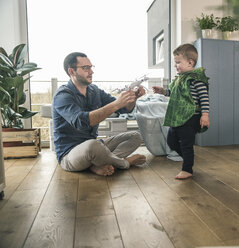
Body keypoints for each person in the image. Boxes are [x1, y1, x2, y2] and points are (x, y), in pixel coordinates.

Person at [52, 52, 146, 176]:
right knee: (92, 146)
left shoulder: (94, 90)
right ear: (71, 71)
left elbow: (123, 109)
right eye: (86, 68)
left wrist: (132, 98)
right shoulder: (62, 95)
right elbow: (81, 122)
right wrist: (117, 104)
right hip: (70, 154)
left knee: (135, 136)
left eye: (91, 67)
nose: (91, 72)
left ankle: (98, 164)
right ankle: (124, 163)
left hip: (96, 147)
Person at [153, 43, 210, 179]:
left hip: (190, 117)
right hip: (177, 117)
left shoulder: (196, 79)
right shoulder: (179, 80)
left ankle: (187, 168)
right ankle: (188, 158)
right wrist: (163, 91)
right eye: (175, 62)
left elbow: (204, 98)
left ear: (190, 62)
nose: (175, 65)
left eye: (178, 62)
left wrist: (205, 115)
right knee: (171, 141)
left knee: (186, 143)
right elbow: (173, 93)